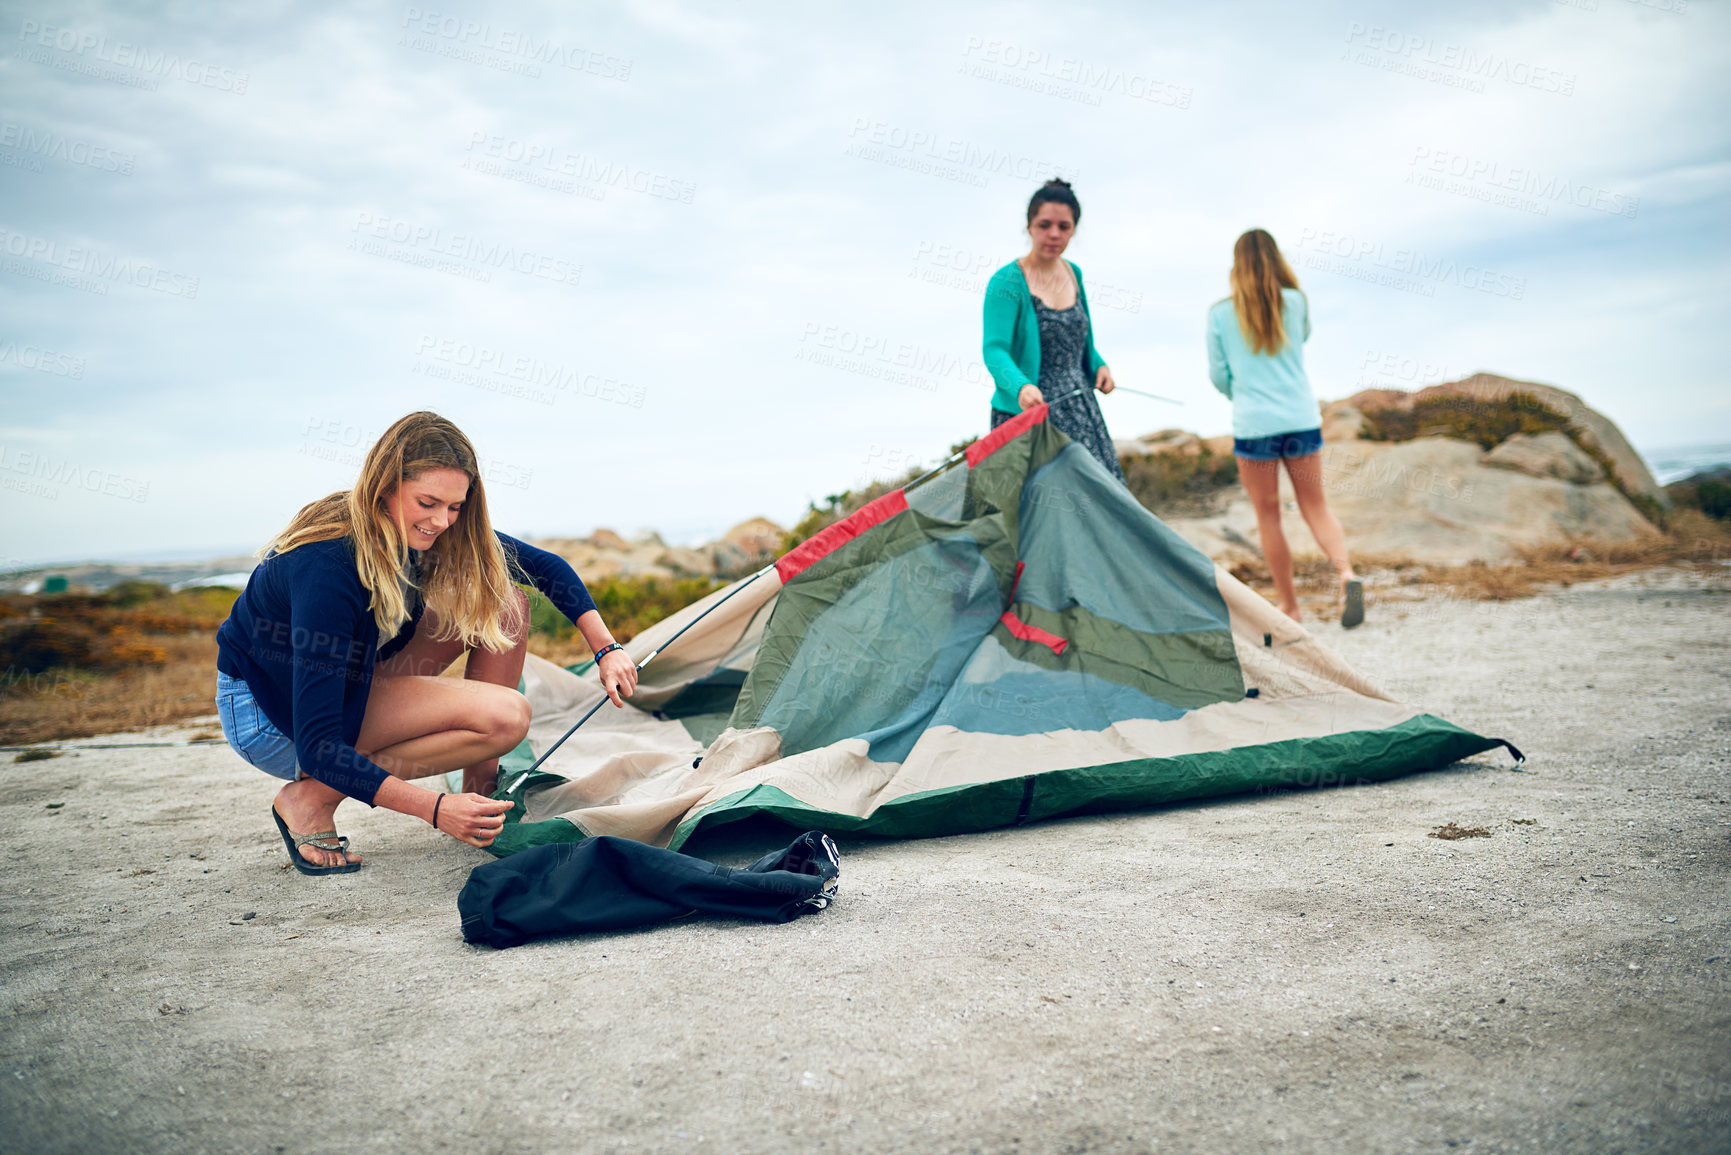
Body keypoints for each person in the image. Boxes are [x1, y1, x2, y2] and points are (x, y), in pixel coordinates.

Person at [214, 411, 639, 875]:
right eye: (429, 502)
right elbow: (318, 745)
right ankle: (308, 800)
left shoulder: (412, 527)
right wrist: (434, 809)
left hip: (349, 675)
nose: (441, 521)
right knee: (505, 717)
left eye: (455, 507)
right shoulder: (327, 567)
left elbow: (544, 567)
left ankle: (482, 793)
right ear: (385, 485)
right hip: (270, 714)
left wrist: (607, 649)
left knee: (506, 603)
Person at [1206, 229, 1362, 627]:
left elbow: (1218, 375)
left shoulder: (1220, 313)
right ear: (1277, 260)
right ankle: (1347, 575)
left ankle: (1291, 607)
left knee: (1269, 516)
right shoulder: (1295, 302)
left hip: (1254, 425)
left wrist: (1241, 393)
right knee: (1316, 506)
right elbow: (1302, 338)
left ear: (1236, 265)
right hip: (1301, 419)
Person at [982, 178, 1124, 483]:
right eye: (1045, 224)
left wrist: (1099, 365)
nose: (1054, 234)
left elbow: (1079, 340)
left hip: (1080, 408)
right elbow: (994, 349)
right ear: (1029, 225)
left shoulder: (1074, 274)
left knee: (1100, 500)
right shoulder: (1006, 281)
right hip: (1029, 411)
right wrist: (1020, 387)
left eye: (1064, 226)